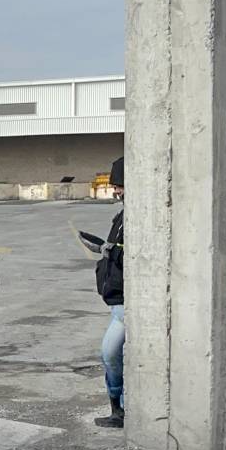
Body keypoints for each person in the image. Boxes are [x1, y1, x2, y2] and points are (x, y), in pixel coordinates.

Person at [94, 156, 125, 428]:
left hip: (127, 303)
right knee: (110, 354)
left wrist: (113, 252)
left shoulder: (136, 216)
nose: (116, 190)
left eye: (119, 185)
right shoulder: (123, 216)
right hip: (118, 302)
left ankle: (121, 408)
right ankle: (118, 409)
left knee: (111, 352)